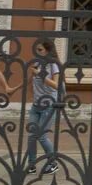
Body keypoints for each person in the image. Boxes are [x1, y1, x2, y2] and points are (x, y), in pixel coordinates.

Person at [24, 37, 64, 176]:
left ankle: (53, 163)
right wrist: (14, 88)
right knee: (31, 136)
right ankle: (31, 165)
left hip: (49, 105)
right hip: (36, 105)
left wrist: (40, 74)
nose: (38, 52)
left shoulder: (54, 65)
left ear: (47, 50)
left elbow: (56, 85)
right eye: (37, 50)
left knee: (41, 136)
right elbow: (31, 81)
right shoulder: (37, 63)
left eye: (40, 50)